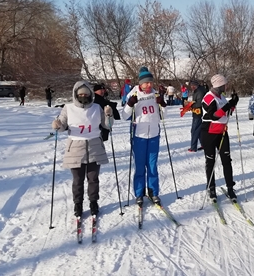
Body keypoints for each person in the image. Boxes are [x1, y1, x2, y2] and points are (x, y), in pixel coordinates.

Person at [51, 81, 112, 217]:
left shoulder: (96, 107)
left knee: (93, 178)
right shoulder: (68, 108)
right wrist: (57, 125)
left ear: (90, 94)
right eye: (80, 94)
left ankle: (93, 202)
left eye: (86, 93)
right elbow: (61, 125)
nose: (83, 96)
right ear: (76, 95)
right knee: (78, 180)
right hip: (75, 148)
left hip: (94, 146)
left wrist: (109, 115)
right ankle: (78, 203)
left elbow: (107, 126)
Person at [121, 66, 167, 206]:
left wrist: (162, 103)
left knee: (152, 166)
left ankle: (153, 192)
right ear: (141, 83)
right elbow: (124, 116)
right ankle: (139, 193)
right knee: (140, 166)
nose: (149, 85)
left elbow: (163, 116)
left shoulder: (155, 94)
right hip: (139, 135)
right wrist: (130, 104)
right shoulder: (133, 94)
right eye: (146, 82)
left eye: (151, 82)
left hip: (154, 134)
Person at [201, 74, 239, 199]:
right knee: (210, 161)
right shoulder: (208, 97)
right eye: (225, 84)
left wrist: (233, 103)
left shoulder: (221, 97)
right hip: (209, 133)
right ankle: (211, 188)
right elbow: (214, 116)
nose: (226, 86)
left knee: (226, 160)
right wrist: (228, 105)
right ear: (219, 85)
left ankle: (230, 187)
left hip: (222, 132)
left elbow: (226, 113)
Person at [188, 80, 206, 152]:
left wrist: (191, 105)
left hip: (198, 113)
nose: (192, 87)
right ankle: (203, 144)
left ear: (196, 85)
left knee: (194, 130)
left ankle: (193, 147)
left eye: (193, 85)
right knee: (198, 130)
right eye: (191, 86)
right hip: (196, 112)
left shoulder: (200, 92)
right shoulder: (197, 91)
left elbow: (199, 104)